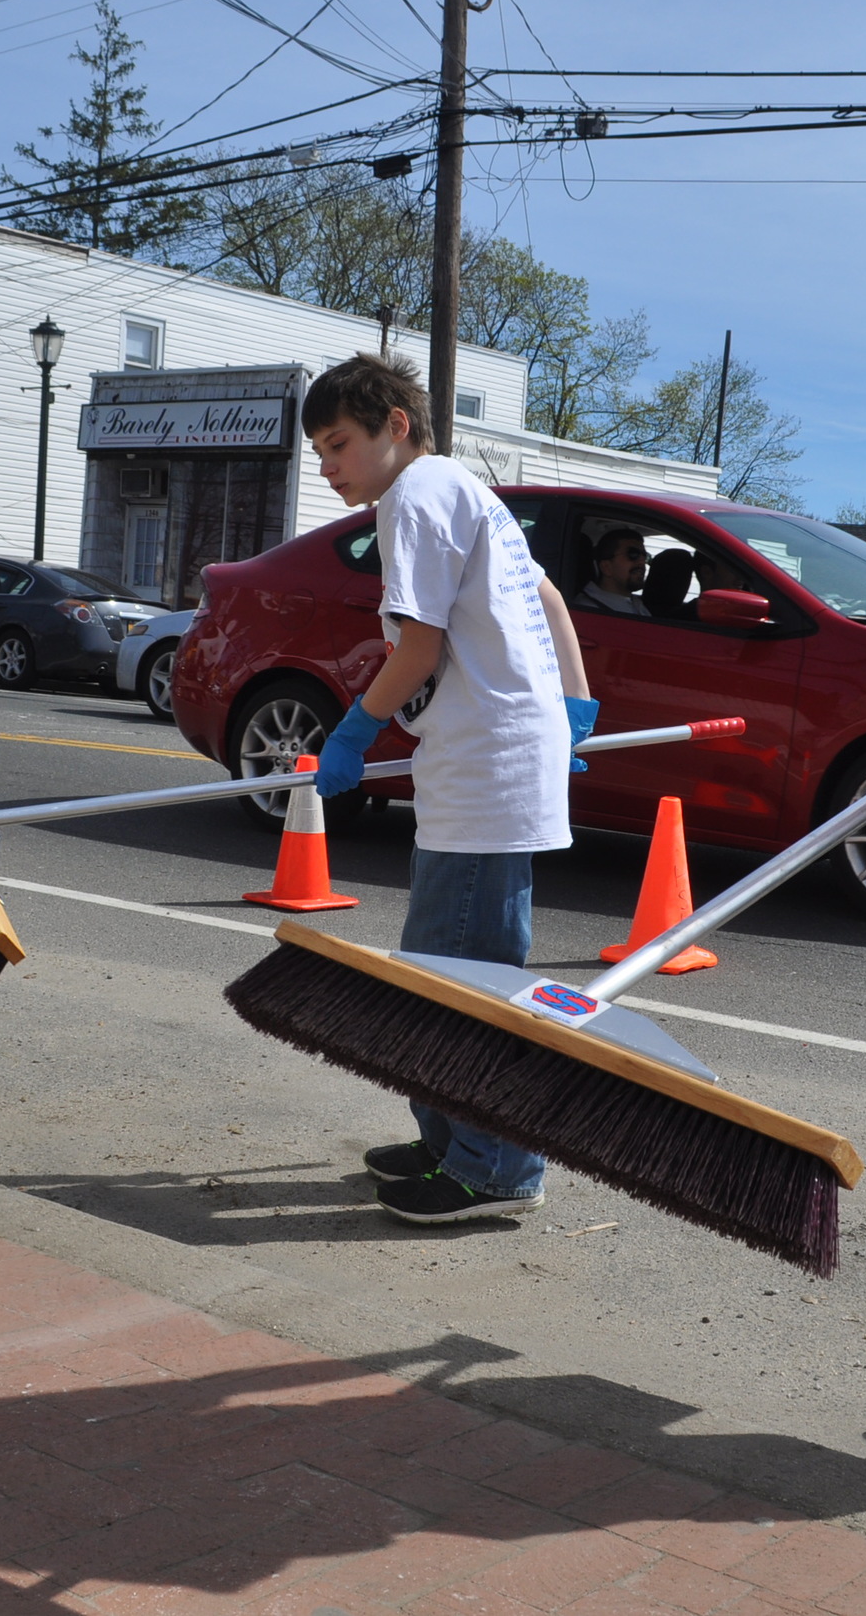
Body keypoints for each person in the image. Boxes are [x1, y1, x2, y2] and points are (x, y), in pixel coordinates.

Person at [301, 353, 599, 1225]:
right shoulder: (464, 492)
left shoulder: (417, 497)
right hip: (483, 758)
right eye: (319, 451)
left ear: (397, 425)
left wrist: (355, 728)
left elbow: (420, 647)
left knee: (467, 978)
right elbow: (547, 601)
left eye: (339, 443)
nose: (328, 467)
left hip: (485, 767)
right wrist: (573, 705)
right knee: (436, 965)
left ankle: (497, 1166)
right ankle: (446, 1141)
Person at [580, 528, 652, 615]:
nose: (642, 561)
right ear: (606, 567)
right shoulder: (588, 610)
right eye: (633, 554)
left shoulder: (637, 604)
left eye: (645, 556)